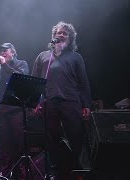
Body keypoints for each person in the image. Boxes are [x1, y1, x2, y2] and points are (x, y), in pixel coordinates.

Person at [31, 21, 91, 180]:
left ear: (70, 38)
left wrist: (86, 104)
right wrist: (35, 102)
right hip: (49, 102)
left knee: (75, 136)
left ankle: (76, 169)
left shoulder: (75, 57)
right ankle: (58, 170)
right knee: (52, 137)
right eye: (59, 32)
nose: (62, 35)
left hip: (71, 101)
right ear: (54, 37)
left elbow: (83, 83)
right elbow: (35, 81)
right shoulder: (43, 56)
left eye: (65, 33)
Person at [0, 43, 29, 180]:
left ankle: (22, 174)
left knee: (18, 144)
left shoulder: (21, 64)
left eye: (4, 50)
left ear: (13, 52)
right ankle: (6, 174)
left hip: (17, 110)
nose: (2, 53)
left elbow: (20, 78)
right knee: (5, 144)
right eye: (0, 51)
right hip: (3, 110)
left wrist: (5, 66)